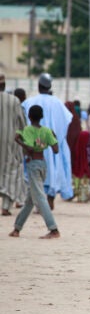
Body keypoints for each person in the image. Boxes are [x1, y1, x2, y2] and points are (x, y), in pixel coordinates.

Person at [22, 73, 74, 210]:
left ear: (38, 86)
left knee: (34, 176)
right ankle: (49, 202)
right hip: (52, 146)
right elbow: (66, 122)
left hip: (33, 147)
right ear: (50, 86)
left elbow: (22, 122)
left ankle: (39, 204)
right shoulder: (57, 103)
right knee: (53, 173)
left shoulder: (30, 102)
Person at [9, 105, 61, 239]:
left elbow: (29, 148)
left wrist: (20, 143)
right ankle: (17, 228)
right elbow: (56, 150)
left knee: (40, 197)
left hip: (33, 165)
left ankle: (53, 229)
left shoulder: (28, 130)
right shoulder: (46, 131)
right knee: (30, 200)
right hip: (43, 165)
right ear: (41, 117)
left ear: (29, 117)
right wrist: (52, 136)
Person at [0, 73, 27, 216]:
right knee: (11, 172)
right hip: (10, 142)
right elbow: (22, 124)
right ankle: (5, 206)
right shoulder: (14, 101)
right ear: (4, 85)